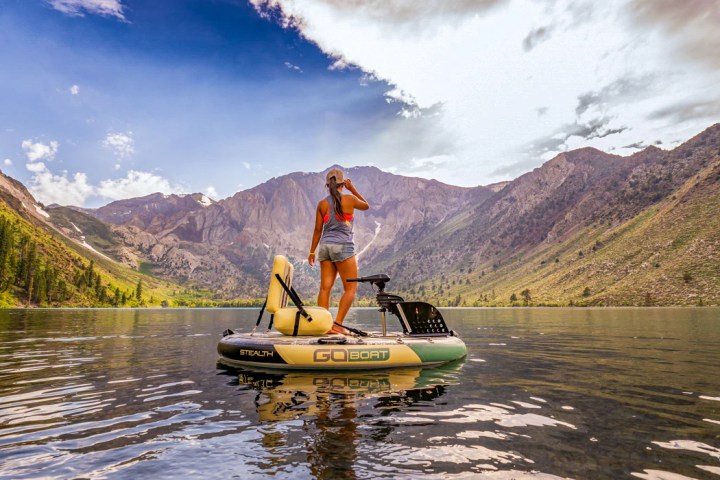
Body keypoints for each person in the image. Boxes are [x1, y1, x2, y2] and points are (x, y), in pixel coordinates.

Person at [308, 168, 369, 335]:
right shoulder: (349, 199)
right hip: (343, 247)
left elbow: (317, 230)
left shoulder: (322, 204)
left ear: (327, 185)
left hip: (325, 247)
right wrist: (353, 189)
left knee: (324, 288)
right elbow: (366, 205)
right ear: (343, 183)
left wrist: (312, 252)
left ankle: (323, 326)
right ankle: (337, 324)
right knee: (350, 288)